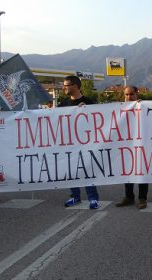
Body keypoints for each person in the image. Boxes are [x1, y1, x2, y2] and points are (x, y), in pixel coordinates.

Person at [59, 75, 100, 209]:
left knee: (87, 170)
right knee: (71, 171)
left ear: (75, 86)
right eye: (64, 85)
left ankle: (93, 198)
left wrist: (87, 111)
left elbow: (98, 120)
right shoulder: (63, 104)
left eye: (66, 85)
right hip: (68, 144)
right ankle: (75, 197)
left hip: (85, 144)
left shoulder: (89, 102)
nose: (64, 87)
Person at [116, 85, 150, 209]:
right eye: (126, 94)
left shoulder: (144, 106)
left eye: (131, 94)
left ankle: (142, 198)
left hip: (141, 144)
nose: (129, 97)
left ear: (137, 94)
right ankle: (129, 197)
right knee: (127, 171)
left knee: (141, 171)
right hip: (126, 145)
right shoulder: (118, 108)